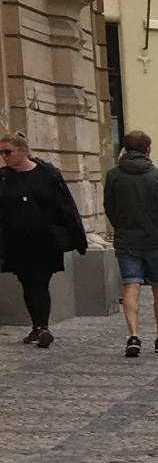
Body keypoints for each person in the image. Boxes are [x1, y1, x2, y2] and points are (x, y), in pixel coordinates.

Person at [0, 128, 87, 350]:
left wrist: (76, 236)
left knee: (39, 281)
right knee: (27, 282)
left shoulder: (48, 174)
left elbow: (66, 205)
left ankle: (43, 327)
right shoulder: (4, 177)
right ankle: (37, 326)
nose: (4, 157)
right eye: (2, 153)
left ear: (23, 151)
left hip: (46, 241)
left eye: (8, 152)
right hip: (16, 241)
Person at [101, 130, 158, 358]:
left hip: (127, 239)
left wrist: (121, 227)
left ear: (124, 149)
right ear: (148, 149)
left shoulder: (114, 176)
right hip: (156, 241)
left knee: (131, 285)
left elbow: (110, 207)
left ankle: (133, 335)